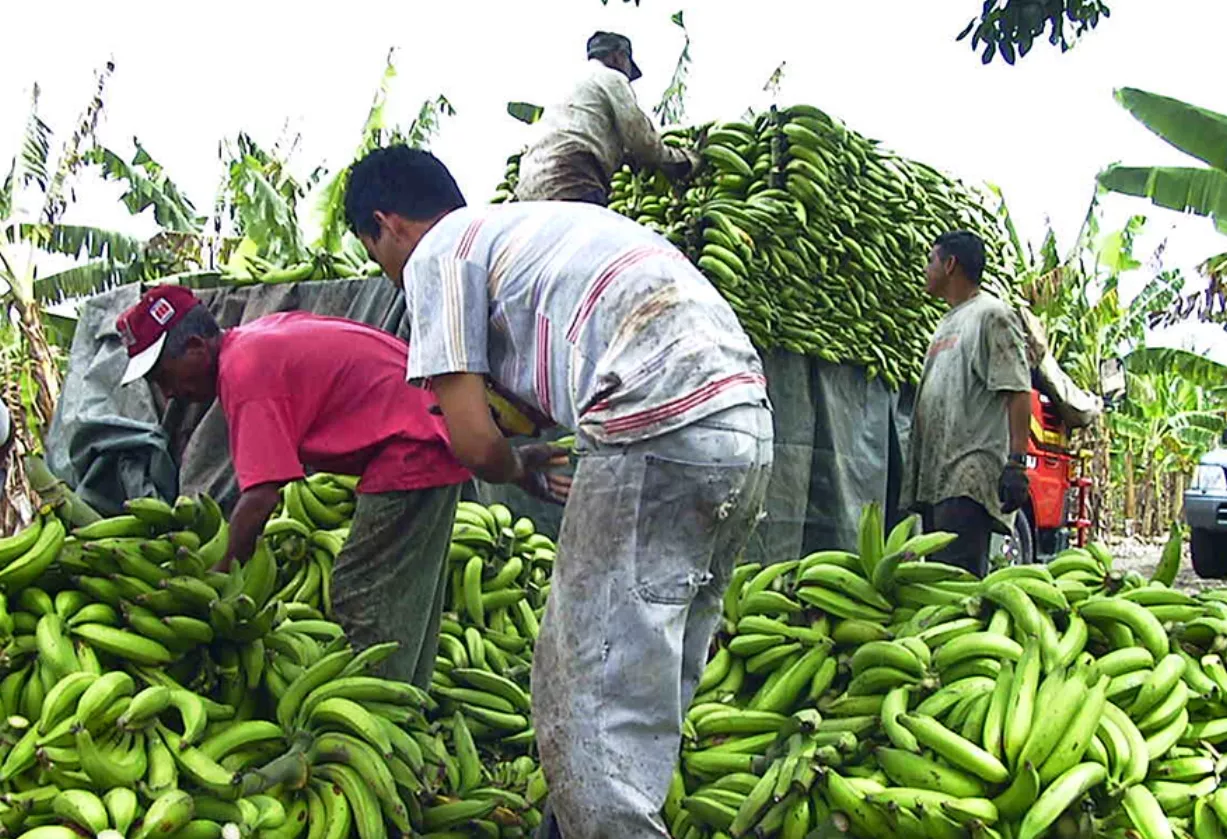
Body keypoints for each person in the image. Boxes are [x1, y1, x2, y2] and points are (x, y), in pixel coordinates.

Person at [344, 145, 774, 839]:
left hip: (652, 418)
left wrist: (514, 468)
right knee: (642, 690)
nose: (388, 275)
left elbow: (474, 443)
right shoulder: (529, 231)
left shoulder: (437, 255)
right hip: (742, 426)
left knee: (587, 702)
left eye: (375, 253)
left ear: (385, 224)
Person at [115, 287, 470, 687]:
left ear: (196, 346)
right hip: (437, 430)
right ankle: (410, 698)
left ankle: (384, 718)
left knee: (361, 591)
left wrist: (218, 574)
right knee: (407, 596)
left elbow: (264, 493)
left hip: (413, 446)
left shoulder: (244, 372)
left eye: (164, 376)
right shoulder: (254, 341)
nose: (167, 393)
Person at [903, 231, 1031, 578]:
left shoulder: (992, 316)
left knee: (956, 582)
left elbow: (1017, 389)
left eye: (931, 260)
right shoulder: (948, 322)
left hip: (967, 475)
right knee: (936, 581)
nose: (926, 269)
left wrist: (1017, 463)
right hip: (937, 475)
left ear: (950, 264)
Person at [515, 31, 699, 205]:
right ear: (618, 57)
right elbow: (640, 138)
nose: (628, 74)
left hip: (529, 187)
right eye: (628, 65)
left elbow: (587, 135)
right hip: (570, 177)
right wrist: (678, 161)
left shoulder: (570, 85)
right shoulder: (611, 77)